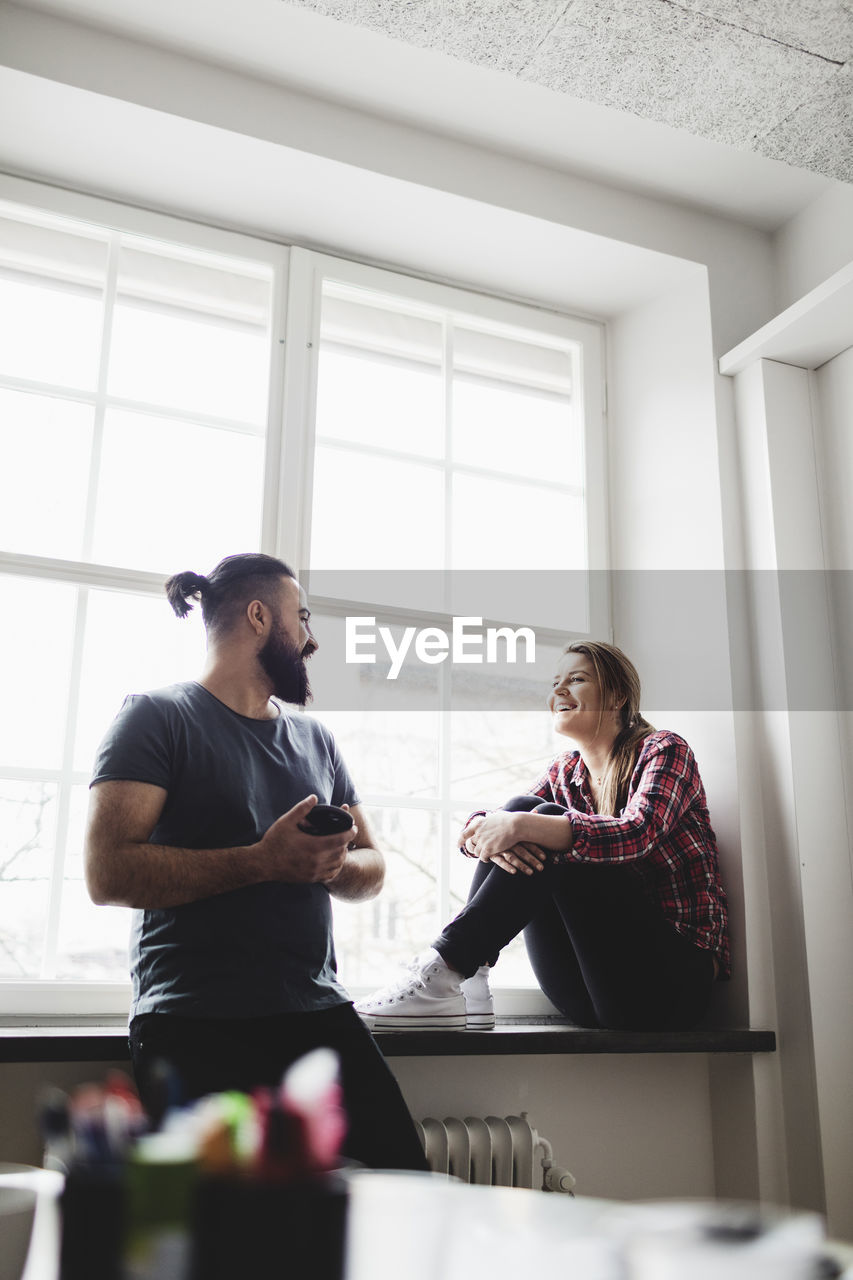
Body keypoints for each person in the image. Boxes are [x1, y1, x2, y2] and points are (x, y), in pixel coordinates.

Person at [84, 552, 426, 1170]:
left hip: (318, 1010)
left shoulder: (316, 738)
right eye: (304, 617)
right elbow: (108, 875)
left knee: (409, 1187)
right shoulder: (156, 717)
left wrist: (328, 867)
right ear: (260, 616)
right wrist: (262, 862)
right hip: (192, 1018)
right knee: (229, 1245)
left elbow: (372, 865)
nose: (313, 638)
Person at [356, 641, 730, 1033]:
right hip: (594, 993)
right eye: (556, 682)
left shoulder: (664, 750)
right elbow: (500, 818)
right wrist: (488, 827)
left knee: (542, 820)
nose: (559, 692)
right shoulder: (565, 772)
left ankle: (446, 966)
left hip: (670, 987)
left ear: (617, 695)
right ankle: (468, 980)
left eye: (577, 679)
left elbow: (638, 833)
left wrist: (521, 826)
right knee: (523, 807)